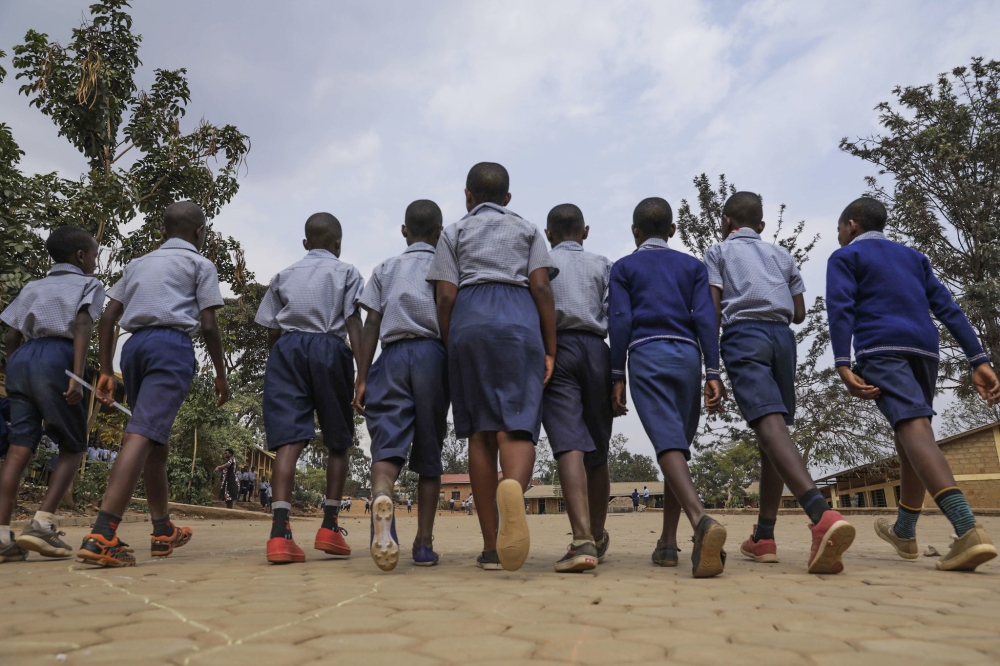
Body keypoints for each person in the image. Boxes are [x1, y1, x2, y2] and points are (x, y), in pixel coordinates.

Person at [827, 197, 1000, 572]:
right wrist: (978, 360)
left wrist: (842, 362)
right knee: (907, 430)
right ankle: (904, 532)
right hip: (925, 352)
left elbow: (841, 307)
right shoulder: (913, 257)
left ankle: (968, 529)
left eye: (839, 228)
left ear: (852, 225)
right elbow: (948, 308)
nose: (838, 235)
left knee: (912, 426)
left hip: (882, 349)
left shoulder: (845, 258)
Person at [706, 191, 855, 574]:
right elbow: (801, 312)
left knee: (768, 424)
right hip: (782, 340)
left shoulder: (719, 252)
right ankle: (764, 537)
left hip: (744, 336)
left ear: (726, 222)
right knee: (773, 432)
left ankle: (821, 516)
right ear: (761, 225)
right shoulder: (782, 254)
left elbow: (712, 308)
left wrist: (711, 366)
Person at [80, 202, 229, 567]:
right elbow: (208, 324)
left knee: (155, 442)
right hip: (170, 348)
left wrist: (104, 368)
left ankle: (163, 530)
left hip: (134, 349)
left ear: (162, 232)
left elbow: (109, 316)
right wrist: (221, 374)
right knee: (141, 432)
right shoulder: (200, 264)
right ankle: (103, 533)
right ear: (200, 233)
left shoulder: (137, 264)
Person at [427, 162, 557, 572]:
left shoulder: (453, 232)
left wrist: (452, 344)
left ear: (468, 196)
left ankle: (489, 547)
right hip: (519, 322)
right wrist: (549, 348)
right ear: (507, 199)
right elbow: (541, 286)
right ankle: (514, 487)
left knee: (480, 434)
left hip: (469, 320)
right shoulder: (529, 229)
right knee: (516, 426)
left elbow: (445, 297)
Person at [608, 197, 728, 578]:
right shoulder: (693, 266)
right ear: (673, 231)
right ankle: (668, 543)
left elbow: (621, 318)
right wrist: (713, 370)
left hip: (647, 354)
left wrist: (617, 373)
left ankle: (700, 522)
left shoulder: (624, 267)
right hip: (688, 358)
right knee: (676, 450)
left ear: (634, 231)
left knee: (668, 446)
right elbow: (706, 317)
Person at [255, 212, 364, 564]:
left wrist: (283, 360)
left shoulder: (283, 275)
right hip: (330, 348)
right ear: (338, 244)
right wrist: (363, 373)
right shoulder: (347, 272)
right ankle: (329, 527)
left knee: (289, 442)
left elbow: (270, 327)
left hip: (287, 350)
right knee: (338, 440)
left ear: (305, 243)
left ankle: (279, 535)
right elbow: (353, 321)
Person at [353, 199, 448, 570]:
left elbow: (370, 324)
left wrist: (362, 377)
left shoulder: (385, 269)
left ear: (404, 231)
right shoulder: (445, 265)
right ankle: (423, 545)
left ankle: (380, 494)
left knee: (387, 445)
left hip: (391, 356)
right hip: (432, 356)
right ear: (440, 233)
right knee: (429, 452)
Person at [0, 226, 104, 562]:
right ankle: (42, 525)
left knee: (19, 449)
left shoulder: (33, 286)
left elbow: (11, 335)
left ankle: (2, 537)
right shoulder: (89, 284)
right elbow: (83, 325)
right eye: (93, 254)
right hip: (58, 358)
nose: (95, 260)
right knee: (74, 445)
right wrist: (76, 374)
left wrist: (14, 367)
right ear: (80, 256)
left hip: (23, 360)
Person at [539, 203, 613, 573]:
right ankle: (597, 537)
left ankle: (581, 538)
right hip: (598, 352)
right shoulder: (602, 264)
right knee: (598, 448)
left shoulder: (540, 263)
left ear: (548, 234)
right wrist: (619, 373)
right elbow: (617, 315)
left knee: (569, 444)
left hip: (556, 350)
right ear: (585, 231)